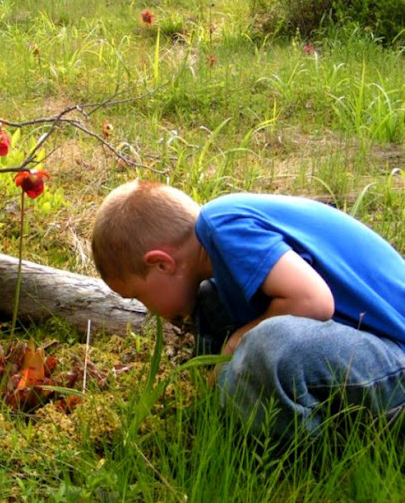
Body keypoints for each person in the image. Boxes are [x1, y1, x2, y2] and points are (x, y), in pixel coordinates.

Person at [91, 180, 405, 436]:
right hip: (366, 348)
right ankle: (228, 414)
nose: (150, 310)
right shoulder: (216, 248)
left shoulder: (222, 225)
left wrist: (235, 342)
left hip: (395, 358)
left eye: (140, 296)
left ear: (162, 263)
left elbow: (313, 301)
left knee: (268, 344)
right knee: (214, 303)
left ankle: (310, 457)